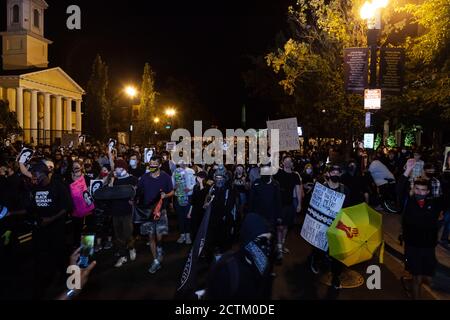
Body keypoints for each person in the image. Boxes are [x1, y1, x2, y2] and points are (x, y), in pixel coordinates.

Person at [398, 159, 443, 299]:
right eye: (417, 189)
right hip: (413, 246)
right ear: (413, 189)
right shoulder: (409, 202)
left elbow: (438, 218)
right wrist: (407, 170)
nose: (420, 192)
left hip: (428, 247)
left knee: (426, 277)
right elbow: (399, 190)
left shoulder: (433, 204)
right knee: (417, 277)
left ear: (428, 192)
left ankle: (410, 283)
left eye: (423, 190)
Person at [27, 161, 71, 299]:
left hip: (56, 228)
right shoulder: (35, 188)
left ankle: (63, 276)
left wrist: (51, 219)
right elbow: (32, 207)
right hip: (41, 229)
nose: (34, 177)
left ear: (44, 173)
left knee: (59, 254)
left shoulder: (58, 187)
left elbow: (66, 208)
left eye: (36, 174)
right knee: (40, 257)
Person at [205, 213, 273, 300]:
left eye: (268, 240)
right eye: (262, 240)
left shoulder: (265, 268)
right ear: (248, 239)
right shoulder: (226, 270)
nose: (266, 246)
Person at [310, 164, 350, 290]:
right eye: (333, 172)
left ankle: (335, 278)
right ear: (329, 173)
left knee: (337, 254)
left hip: (337, 226)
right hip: (322, 225)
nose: (336, 174)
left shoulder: (345, 189)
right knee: (320, 249)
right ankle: (315, 260)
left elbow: (348, 208)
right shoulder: (322, 188)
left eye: (338, 172)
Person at [136, 156, 174, 274]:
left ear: (159, 165)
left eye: (154, 164)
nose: (151, 166)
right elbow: (138, 190)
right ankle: (155, 260)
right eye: (150, 164)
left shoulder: (166, 177)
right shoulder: (144, 177)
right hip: (147, 212)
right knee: (150, 236)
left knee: (159, 236)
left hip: (161, 211)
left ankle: (160, 247)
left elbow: (172, 191)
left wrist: (166, 196)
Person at [110, 159, 138, 268]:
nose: (116, 170)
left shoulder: (133, 179)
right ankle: (122, 255)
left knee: (127, 233)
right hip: (115, 211)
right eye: (116, 168)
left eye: (118, 168)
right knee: (118, 235)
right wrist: (112, 180)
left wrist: (134, 200)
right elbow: (109, 193)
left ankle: (131, 248)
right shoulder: (115, 180)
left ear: (124, 169)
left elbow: (137, 193)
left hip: (127, 211)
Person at [273, 155, 302, 260]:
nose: (288, 163)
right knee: (279, 227)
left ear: (292, 164)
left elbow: (298, 190)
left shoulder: (295, 176)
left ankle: (282, 244)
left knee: (285, 226)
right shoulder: (278, 173)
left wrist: (299, 204)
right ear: (282, 162)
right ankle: (279, 247)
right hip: (279, 204)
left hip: (290, 204)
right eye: (286, 161)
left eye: (290, 161)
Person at [248, 165, 282, 230]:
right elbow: (251, 199)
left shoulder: (275, 184)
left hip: (271, 215)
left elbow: (278, 200)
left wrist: (279, 215)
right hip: (258, 214)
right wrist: (250, 213)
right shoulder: (256, 183)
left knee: (269, 234)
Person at [172, 160, 196, 245]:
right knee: (180, 216)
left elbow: (194, 182)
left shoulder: (191, 171)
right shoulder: (176, 171)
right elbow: (172, 183)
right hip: (178, 196)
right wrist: (175, 186)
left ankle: (188, 235)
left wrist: (190, 188)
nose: (182, 163)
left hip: (188, 196)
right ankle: (182, 235)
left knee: (188, 216)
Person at [188, 171, 210, 242]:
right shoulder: (195, 187)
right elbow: (193, 201)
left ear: (203, 178)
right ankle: (194, 243)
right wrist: (189, 212)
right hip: (195, 210)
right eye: (197, 177)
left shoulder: (208, 187)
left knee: (202, 227)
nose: (197, 178)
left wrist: (201, 183)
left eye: (198, 177)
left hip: (203, 210)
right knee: (194, 227)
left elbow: (204, 195)